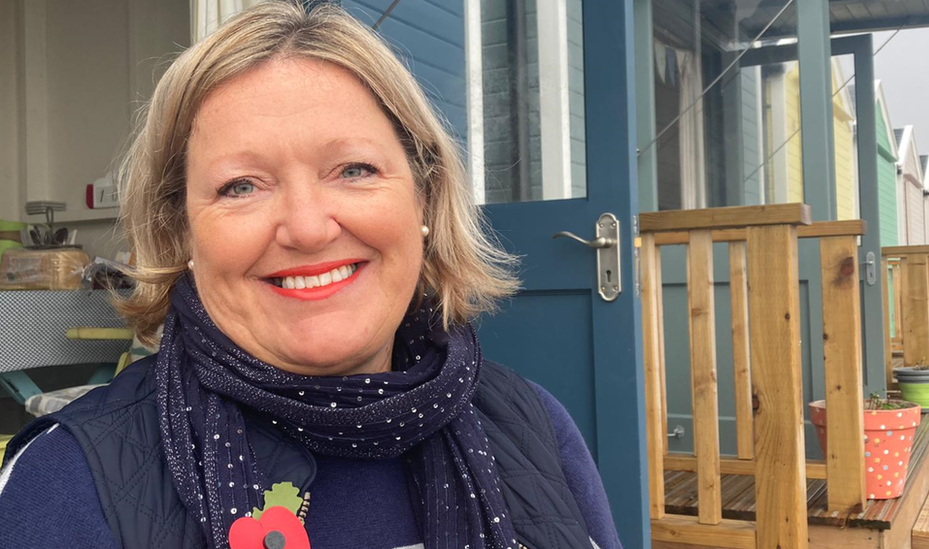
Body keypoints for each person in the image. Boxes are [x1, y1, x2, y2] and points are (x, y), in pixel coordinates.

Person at [0, 3, 622, 549]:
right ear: (181, 233)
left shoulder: (532, 426)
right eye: (240, 186)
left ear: (425, 202)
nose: (306, 228)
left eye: (353, 169)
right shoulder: (67, 480)